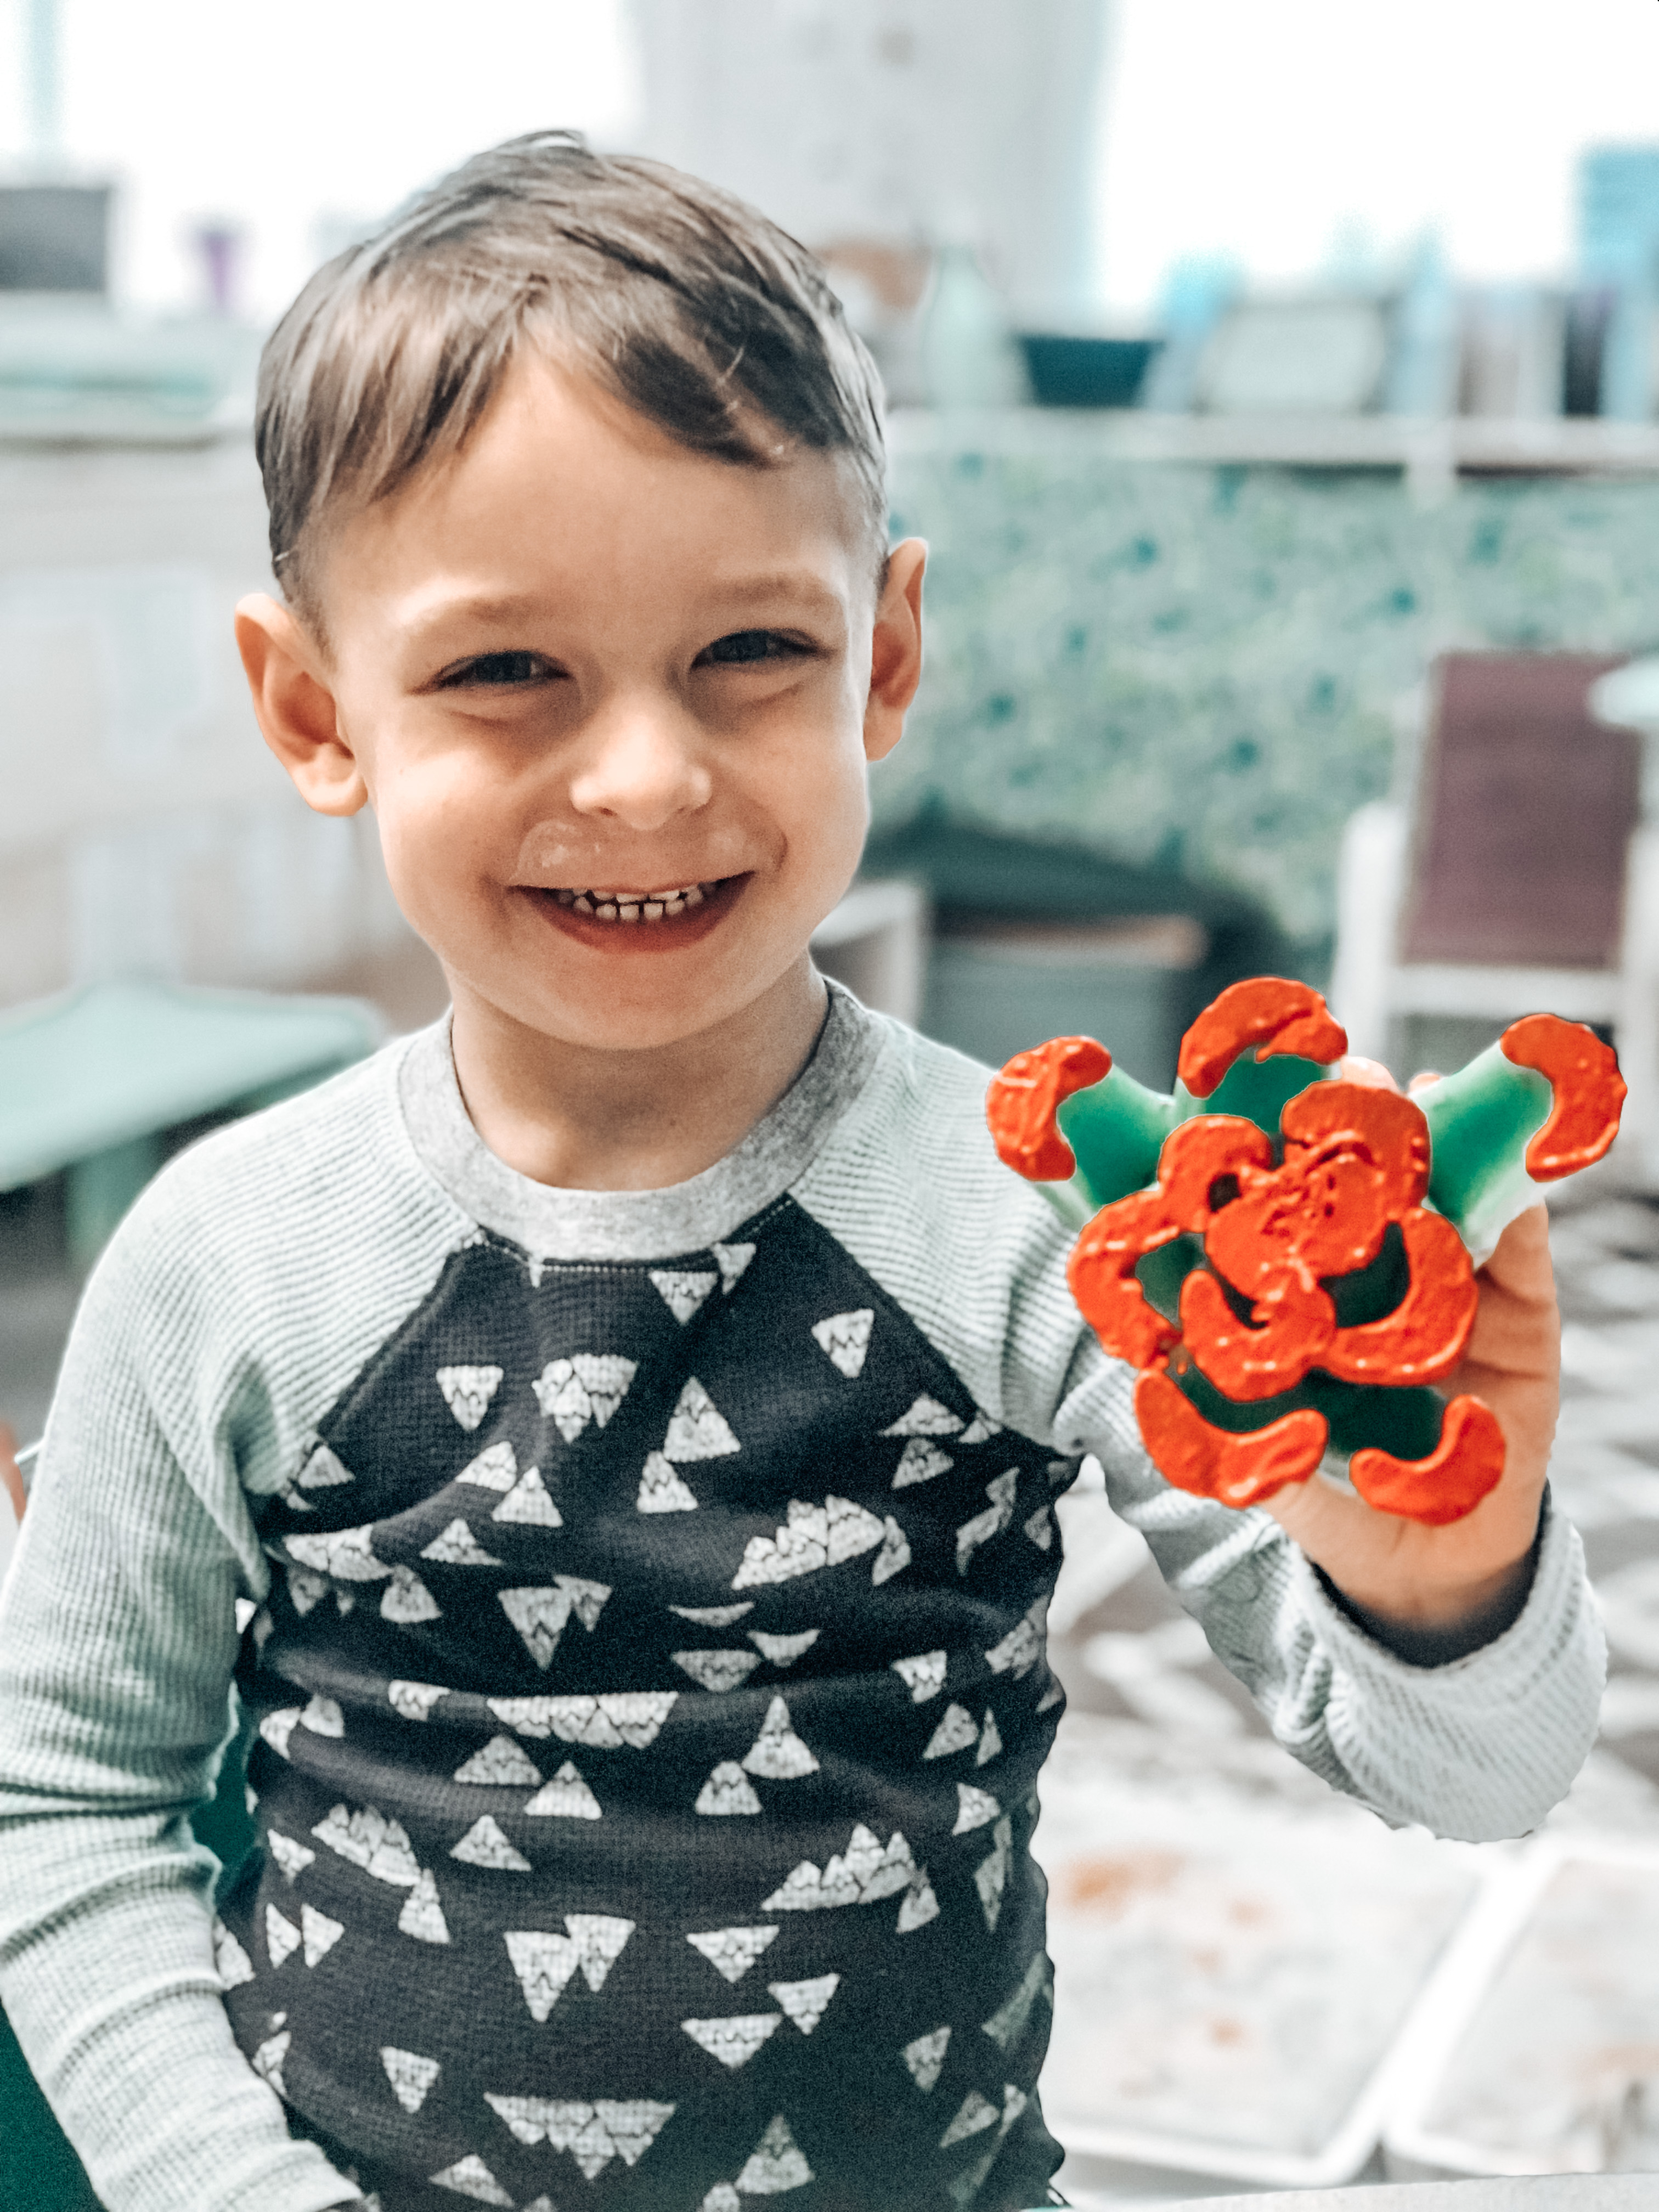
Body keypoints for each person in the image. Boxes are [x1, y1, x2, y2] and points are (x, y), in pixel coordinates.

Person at [0, 132, 1603, 2212]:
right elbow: (62, 1807)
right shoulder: (224, 1259)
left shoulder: (1047, 1232)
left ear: (886, 658)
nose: (647, 775)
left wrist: (1435, 1569)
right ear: (318, 712)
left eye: (751, 650)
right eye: (505, 672)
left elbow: (1475, 1779)